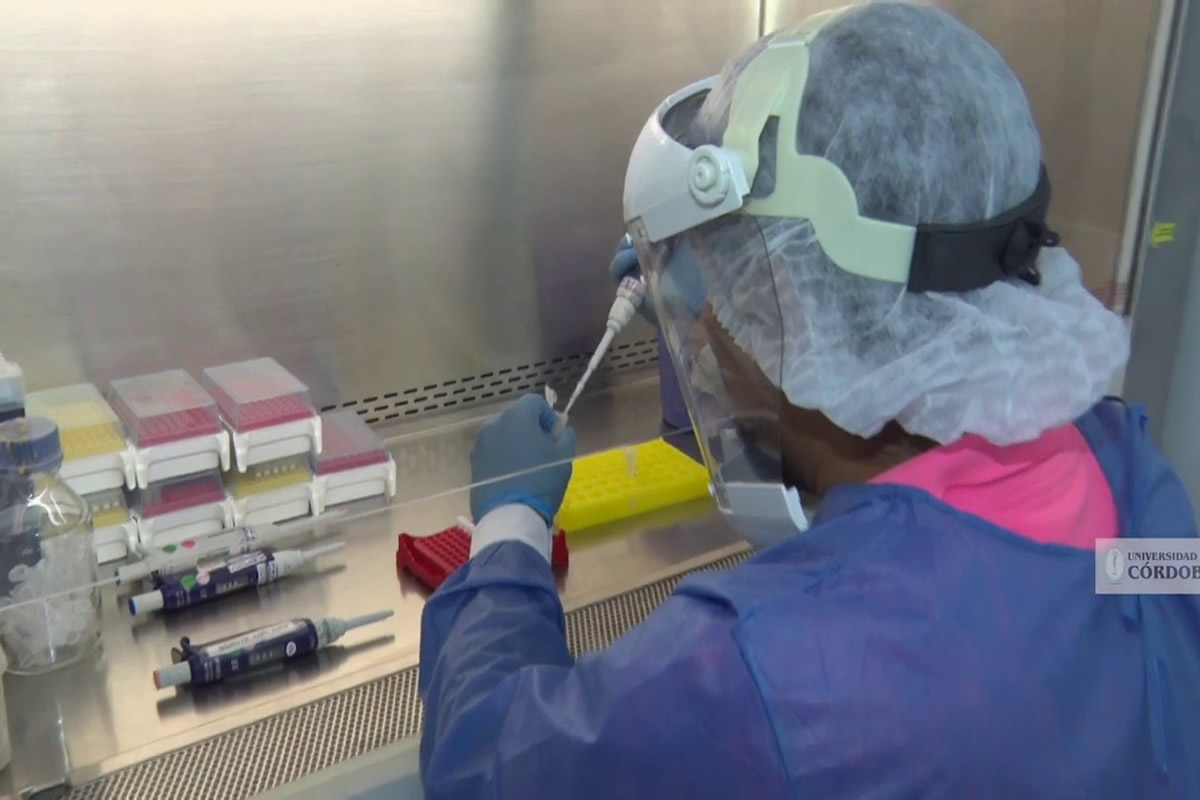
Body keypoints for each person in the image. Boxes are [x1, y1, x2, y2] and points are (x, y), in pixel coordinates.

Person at [419, 3, 1200, 798]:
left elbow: (492, 767)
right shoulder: (1138, 491)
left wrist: (509, 524)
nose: (712, 317)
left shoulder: (763, 676)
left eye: (730, 281)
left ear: (791, 304)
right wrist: (711, 323)